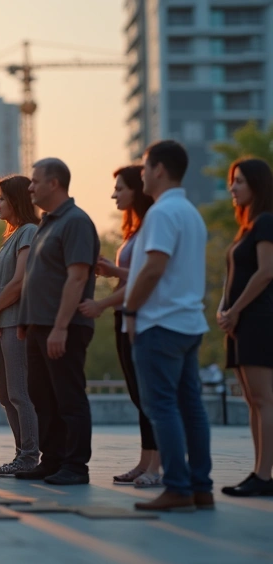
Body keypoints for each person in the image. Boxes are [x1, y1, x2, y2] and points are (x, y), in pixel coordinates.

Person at [125, 140, 212, 512]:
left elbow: (154, 267)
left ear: (159, 169)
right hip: (189, 322)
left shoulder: (162, 213)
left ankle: (177, 486)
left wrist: (130, 311)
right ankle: (200, 487)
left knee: (162, 407)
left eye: (144, 167)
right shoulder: (190, 212)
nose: (142, 173)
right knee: (191, 408)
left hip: (160, 324)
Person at [17, 158, 99, 486]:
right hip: (38, 325)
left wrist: (61, 327)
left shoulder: (76, 222)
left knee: (68, 396)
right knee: (42, 396)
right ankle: (51, 461)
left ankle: (75, 466)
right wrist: (26, 320)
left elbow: (77, 278)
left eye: (35, 181)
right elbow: (35, 278)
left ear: (54, 184)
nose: (30, 187)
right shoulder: (46, 223)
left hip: (63, 327)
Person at [78, 166, 161, 487]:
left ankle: (157, 466)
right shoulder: (135, 229)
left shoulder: (151, 228)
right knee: (138, 394)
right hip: (124, 314)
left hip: (141, 315)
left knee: (150, 395)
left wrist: (112, 276)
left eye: (120, 188)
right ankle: (145, 461)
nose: (114, 194)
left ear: (137, 191)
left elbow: (149, 276)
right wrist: (113, 273)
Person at [218, 158, 273, 498]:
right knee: (253, 401)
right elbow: (234, 276)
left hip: (258, 320)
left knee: (265, 400)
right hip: (238, 323)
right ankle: (258, 472)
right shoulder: (248, 228)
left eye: (238, 181)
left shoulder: (266, 222)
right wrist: (224, 310)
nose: (232, 188)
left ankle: (265, 476)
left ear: (256, 185)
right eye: (231, 181)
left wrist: (235, 310)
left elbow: (267, 272)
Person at [0, 176, 41, 477]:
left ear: (16, 200)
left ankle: (30, 456)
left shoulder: (29, 231)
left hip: (15, 322)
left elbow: (19, 282)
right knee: (6, 395)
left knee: (20, 392)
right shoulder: (12, 235)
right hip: (1, 324)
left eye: (2, 198)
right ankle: (22, 453)